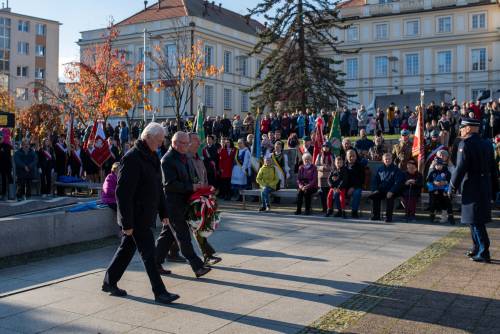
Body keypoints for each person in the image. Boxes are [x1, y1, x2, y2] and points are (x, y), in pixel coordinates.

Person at [102, 123, 180, 304]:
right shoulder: (132, 158)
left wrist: (163, 211)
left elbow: (157, 187)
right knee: (149, 254)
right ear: (148, 137)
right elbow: (122, 193)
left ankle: (109, 281)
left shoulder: (151, 156)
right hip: (136, 217)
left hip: (147, 214)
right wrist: (126, 223)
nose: (161, 144)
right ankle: (159, 292)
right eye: (159, 141)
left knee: (126, 249)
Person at [155, 131, 211, 277]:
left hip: (183, 202)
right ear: (176, 143)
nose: (188, 146)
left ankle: (155, 263)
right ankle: (197, 266)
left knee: (167, 235)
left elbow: (185, 178)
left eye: (188, 143)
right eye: (185, 143)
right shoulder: (167, 160)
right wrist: (191, 187)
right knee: (183, 236)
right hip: (172, 205)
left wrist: (195, 185)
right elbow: (169, 185)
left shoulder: (182, 157)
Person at [450, 118, 498, 263]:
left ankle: (484, 252)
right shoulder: (487, 144)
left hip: (471, 184)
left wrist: (452, 185)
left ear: (469, 128)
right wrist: (495, 188)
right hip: (484, 184)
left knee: (476, 221)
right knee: (473, 220)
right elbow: (493, 168)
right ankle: (476, 248)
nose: (461, 130)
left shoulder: (465, 144)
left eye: (463, 128)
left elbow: (460, 168)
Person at [186, 133, 222, 266]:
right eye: (196, 140)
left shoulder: (198, 158)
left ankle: (168, 253)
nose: (199, 143)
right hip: (190, 198)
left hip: (201, 196)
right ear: (188, 142)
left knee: (172, 233)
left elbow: (204, 177)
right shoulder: (185, 159)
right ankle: (208, 255)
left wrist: (207, 193)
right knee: (197, 225)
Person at [369, 153, 404, 222]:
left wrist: (391, 191)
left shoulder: (396, 169)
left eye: (389, 159)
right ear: (383, 160)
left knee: (390, 198)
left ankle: (389, 217)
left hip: (393, 190)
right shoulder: (380, 169)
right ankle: (376, 216)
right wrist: (375, 189)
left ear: (392, 160)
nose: (387, 160)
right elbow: (375, 180)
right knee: (375, 196)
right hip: (382, 190)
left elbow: (398, 183)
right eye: (386, 159)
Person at [427, 158, 455, 224]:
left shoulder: (447, 172)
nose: (438, 166)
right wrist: (433, 188)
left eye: (439, 165)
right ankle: (432, 217)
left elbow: (450, 182)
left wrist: (446, 189)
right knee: (433, 202)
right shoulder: (432, 173)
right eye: (436, 165)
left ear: (442, 165)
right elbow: (428, 182)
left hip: (444, 190)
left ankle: (449, 218)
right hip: (435, 191)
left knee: (447, 201)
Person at [344, 150, 364, 218]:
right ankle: (340, 211)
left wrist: (353, 187)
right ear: (346, 157)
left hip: (357, 187)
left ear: (356, 157)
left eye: (353, 156)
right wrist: (346, 189)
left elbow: (361, 180)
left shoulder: (360, 166)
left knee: (357, 193)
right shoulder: (343, 166)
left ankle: (354, 211)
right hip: (345, 186)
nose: (352, 158)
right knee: (337, 192)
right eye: (350, 156)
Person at [315, 142, 334, 213]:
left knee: (330, 193)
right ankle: (324, 208)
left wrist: (330, 167)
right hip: (322, 177)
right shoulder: (319, 155)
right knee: (323, 194)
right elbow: (316, 165)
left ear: (329, 148)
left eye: (327, 146)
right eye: (324, 146)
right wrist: (322, 167)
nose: (326, 148)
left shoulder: (332, 155)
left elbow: (335, 165)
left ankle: (330, 208)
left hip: (330, 177)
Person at [0, 132, 12, 200]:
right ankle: (3, 194)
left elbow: (11, 155)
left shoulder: (8, 146)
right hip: (1, 166)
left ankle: (10, 193)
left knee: (9, 178)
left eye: (1, 138)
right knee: (3, 180)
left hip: (7, 165)